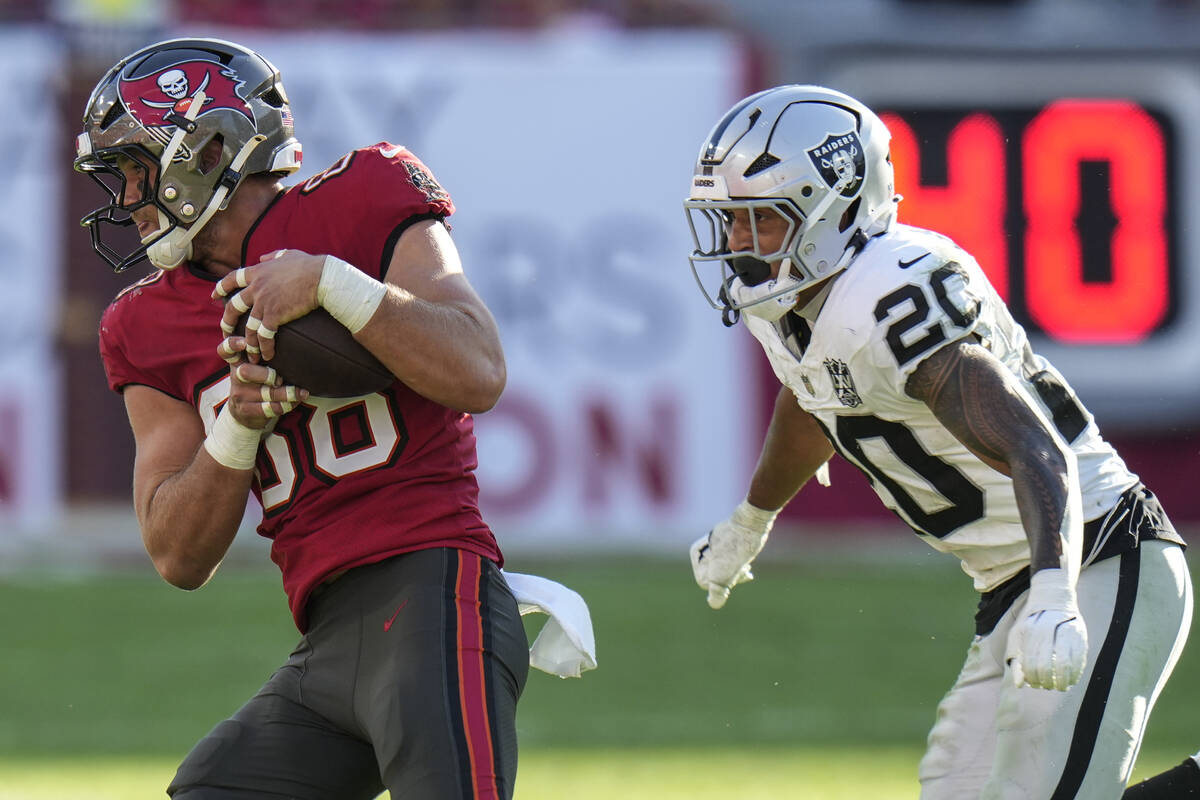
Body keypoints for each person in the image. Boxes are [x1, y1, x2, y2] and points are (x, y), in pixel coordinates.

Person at [76, 37, 594, 800]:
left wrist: (334, 285)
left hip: (433, 593)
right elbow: (177, 556)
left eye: (135, 169)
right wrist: (238, 426)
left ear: (209, 149)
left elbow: (480, 371)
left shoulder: (362, 196)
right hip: (328, 639)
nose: (126, 199)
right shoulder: (142, 324)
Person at [683, 84, 1195, 799]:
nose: (738, 245)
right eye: (731, 221)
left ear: (833, 211)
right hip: (1009, 584)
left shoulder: (889, 294)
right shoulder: (792, 299)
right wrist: (752, 518)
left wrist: (1054, 593)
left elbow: (1033, 446)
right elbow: (813, 395)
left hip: (1097, 554)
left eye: (761, 219)